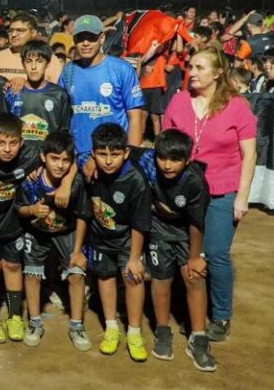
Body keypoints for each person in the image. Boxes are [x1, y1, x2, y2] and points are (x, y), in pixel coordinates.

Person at [163, 48, 257, 342]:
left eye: (200, 67)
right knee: (186, 254)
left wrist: (241, 197)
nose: (192, 72)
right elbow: (166, 145)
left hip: (222, 191)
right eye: (191, 66)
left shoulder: (237, 106)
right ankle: (191, 311)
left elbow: (250, 154)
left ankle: (220, 315)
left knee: (215, 254)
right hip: (185, 193)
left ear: (218, 73)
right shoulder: (179, 101)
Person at [138, 130, 215, 370]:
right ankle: (162, 331)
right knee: (161, 279)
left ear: (188, 160)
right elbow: (126, 151)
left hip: (187, 233)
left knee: (194, 278)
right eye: (162, 158)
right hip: (159, 230)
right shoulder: (147, 160)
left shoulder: (195, 182)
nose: (167, 165)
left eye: (175, 160)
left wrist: (194, 257)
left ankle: (199, 338)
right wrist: (89, 164)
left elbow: (196, 224)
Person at [16, 131, 93, 351]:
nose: (60, 165)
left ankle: (77, 325)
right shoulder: (31, 182)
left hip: (66, 231)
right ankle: (34, 321)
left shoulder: (76, 184)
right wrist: (31, 209)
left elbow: (82, 216)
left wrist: (77, 251)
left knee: (76, 274)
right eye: (54, 158)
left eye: (65, 160)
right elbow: (19, 210)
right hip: (37, 231)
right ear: (43, 157)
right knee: (31, 274)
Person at [84, 123, 152, 362]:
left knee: (133, 279)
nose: (108, 161)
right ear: (93, 154)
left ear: (125, 153)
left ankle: (134, 332)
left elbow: (140, 223)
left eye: (114, 154)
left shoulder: (136, 181)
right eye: (102, 154)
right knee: (104, 277)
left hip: (127, 241)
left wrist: (134, 258)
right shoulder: (90, 172)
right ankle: (111, 327)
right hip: (100, 238)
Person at [0, 113, 39, 344]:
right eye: (1, 143)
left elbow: (60, 152)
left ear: (22, 143)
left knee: (13, 266)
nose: (7, 149)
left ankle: (14, 316)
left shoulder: (32, 155)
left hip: (14, 224)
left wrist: (40, 168)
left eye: (13, 143)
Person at [60, 15, 145, 158]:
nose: (85, 43)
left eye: (91, 37)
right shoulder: (68, 70)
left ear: (102, 38)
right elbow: (61, 112)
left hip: (112, 157)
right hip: (77, 156)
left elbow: (135, 116)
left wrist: (132, 158)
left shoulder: (122, 69)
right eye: (80, 38)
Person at [6, 41, 73, 154]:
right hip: (18, 161)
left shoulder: (59, 94)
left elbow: (63, 133)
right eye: (28, 61)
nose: (33, 67)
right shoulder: (12, 92)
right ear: (22, 64)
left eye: (39, 61)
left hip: (48, 161)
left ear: (48, 63)